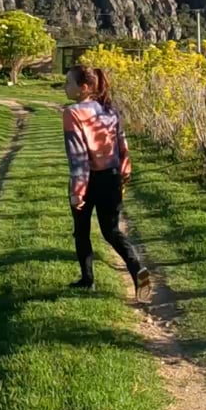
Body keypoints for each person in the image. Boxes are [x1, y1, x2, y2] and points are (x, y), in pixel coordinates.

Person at [61, 65, 151, 296]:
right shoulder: (109, 110)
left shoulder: (73, 113)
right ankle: (138, 271)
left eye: (68, 83)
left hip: (88, 180)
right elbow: (122, 146)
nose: (65, 87)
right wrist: (124, 172)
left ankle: (87, 280)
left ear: (84, 88)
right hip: (111, 178)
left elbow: (78, 157)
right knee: (112, 232)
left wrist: (78, 191)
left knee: (81, 232)